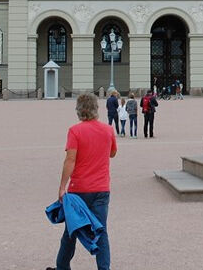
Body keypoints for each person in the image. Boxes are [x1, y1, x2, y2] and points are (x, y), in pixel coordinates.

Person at [49, 93, 116, 270]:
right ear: (96, 109)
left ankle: (62, 267)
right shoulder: (108, 130)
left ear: (79, 111)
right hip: (101, 189)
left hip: (79, 190)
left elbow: (70, 160)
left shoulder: (75, 131)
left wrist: (62, 187)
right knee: (101, 231)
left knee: (71, 232)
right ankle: (104, 268)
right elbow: (112, 153)